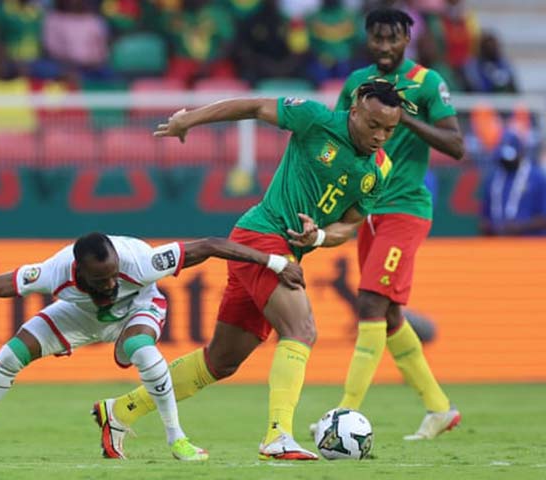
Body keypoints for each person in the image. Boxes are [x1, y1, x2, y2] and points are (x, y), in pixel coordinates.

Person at [92, 79, 405, 461]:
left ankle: (120, 411)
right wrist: (190, 119)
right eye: (373, 125)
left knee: (220, 361)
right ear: (355, 111)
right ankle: (278, 435)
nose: (380, 136)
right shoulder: (316, 119)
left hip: (281, 247)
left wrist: (321, 236)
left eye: (389, 129)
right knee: (301, 329)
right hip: (261, 237)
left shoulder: (380, 169)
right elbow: (253, 107)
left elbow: (351, 222)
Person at [0, 232, 305, 461]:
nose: (109, 284)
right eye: (99, 279)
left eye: (112, 276)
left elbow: (209, 246)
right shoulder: (55, 272)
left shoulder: (141, 262)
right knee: (6, 358)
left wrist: (273, 262)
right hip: (78, 314)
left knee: (143, 349)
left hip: (138, 309)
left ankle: (178, 439)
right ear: (78, 271)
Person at [329, 8, 465, 441]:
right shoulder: (357, 84)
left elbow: (456, 144)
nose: (385, 47)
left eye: (393, 38)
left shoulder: (427, 83)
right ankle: (440, 409)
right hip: (367, 210)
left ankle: (343, 415)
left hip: (405, 208)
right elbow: (336, 134)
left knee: (369, 303)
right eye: (377, 38)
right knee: (388, 316)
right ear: (368, 38)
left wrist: (403, 116)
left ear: (407, 37)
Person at [480, 129, 546, 236]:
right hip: (498, 247)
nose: (505, 162)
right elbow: (484, 219)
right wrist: (495, 228)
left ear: (521, 153)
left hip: (531, 246)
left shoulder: (537, 178)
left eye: (509, 159)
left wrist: (519, 227)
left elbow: (544, 219)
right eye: (502, 159)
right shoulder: (493, 178)